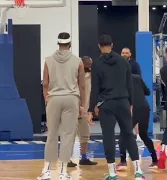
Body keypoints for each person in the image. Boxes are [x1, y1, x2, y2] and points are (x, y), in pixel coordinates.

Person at [87, 35, 145, 180]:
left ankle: (112, 173)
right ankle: (138, 171)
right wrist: (130, 102)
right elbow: (129, 84)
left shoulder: (97, 64)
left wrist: (90, 109)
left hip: (106, 104)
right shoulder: (123, 61)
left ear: (99, 46)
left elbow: (95, 88)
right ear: (112, 45)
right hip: (123, 102)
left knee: (108, 136)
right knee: (128, 135)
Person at [38, 32, 86, 180]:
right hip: (71, 98)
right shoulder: (78, 61)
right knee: (67, 135)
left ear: (58, 44)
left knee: (52, 134)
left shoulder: (48, 60)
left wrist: (47, 98)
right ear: (70, 44)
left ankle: (46, 170)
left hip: (53, 98)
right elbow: (82, 85)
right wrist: (82, 105)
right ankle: (63, 172)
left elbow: (45, 83)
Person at [116, 74, 158, 171]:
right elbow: (147, 92)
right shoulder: (137, 77)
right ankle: (155, 160)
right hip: (144, 108)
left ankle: (123, 162)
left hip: (132, 109)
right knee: (144, 135)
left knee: (123, 134)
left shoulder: (120, 79)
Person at [68, 56, 98, 168]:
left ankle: (84, 157)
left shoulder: (92, 76)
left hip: (84, 110)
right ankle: (67, 158)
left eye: (91, 65)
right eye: (87, 65)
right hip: (73, 109)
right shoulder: (74, 77)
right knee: (70, 135)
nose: (90, 67)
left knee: (85, 135)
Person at [121, 47, 142, 141]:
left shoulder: (135, 65)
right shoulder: (118, 63)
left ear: (130, 54)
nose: (124, 54)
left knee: (134, 113)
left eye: (126, 53)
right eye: (123, 53)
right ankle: (125, 134)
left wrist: (129, 76)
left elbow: (139, 77)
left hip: (133, 92)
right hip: (122, 92)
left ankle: (138, 135)